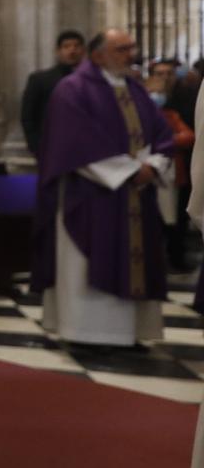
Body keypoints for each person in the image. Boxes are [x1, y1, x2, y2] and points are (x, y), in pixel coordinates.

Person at [34, 27, 174, 347]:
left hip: (136, 193)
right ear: (98, 55)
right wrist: (129, 171)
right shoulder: (72, 90)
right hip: (92, 195)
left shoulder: (135, 90)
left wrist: (152, 166)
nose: (131, 54)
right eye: (122, 49)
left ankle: (131, 334)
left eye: (131, 48)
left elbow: (161, 134)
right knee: (90, 260)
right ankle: (86, 333)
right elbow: (74, 144)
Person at [150, 58, 196, 270]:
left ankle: (176, 257)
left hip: (180, 166)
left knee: (177, 217)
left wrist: (166, 142)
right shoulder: (145, 98)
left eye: (169, 73)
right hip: (149, 170)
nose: (165, 78)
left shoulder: (188, 96)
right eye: (160, 74)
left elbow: (190, 134)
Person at [20, 29, 87, 154]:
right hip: (52, 147)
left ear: (83, 51)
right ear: (58, 51)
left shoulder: (92, 80)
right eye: (66, 47)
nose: (72, 51)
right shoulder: (40, 79)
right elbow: (28, 117)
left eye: (76, 46)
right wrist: (36, 148)